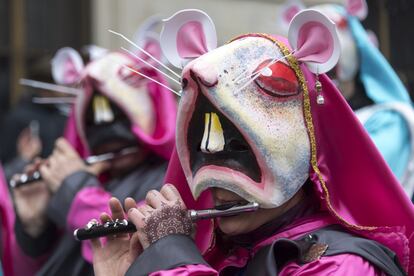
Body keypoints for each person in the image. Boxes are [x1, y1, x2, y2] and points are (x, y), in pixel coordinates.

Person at [91, 9, 414, 275]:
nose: (217, 182)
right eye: (199, 143)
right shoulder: (226, 252)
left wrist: (171, 256)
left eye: (239, 143)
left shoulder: (341, 264)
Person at [12, 42, 177, 275]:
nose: (106, 129)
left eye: (118, 114)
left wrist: (75, 186)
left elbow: (141, 247)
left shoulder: (172, 181)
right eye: (92, 119)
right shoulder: (93, 177)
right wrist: (36, 228)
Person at [281, 0, 414, 201]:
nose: (320, 78)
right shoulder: (302, 119)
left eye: (329, 69)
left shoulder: (390, 119)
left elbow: (362, 190)